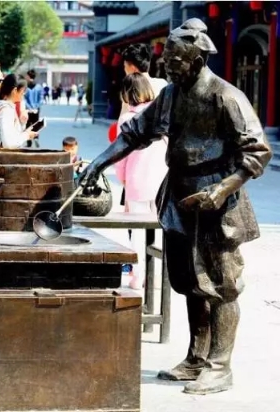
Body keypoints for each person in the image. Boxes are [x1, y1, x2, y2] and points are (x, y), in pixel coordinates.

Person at [79, 18, 272, 396]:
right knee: (188, 281)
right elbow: (135, 133)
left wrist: (223, 189)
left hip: (217, 199)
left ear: (197, 60)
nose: (168, 69)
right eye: (166, 62)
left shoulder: (226, 96)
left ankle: (220, 365)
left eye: (175, 63)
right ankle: (196, 358)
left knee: (221, 285)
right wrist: (98, 162)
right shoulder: (170, 95)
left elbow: (257, 152)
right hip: (180, 195)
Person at [114, 73, 168, 290]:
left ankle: (138, 278)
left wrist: (123, 178)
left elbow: (119, 156)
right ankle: (160, 278)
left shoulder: (128, 120)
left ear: (127, 94)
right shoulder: (161, 117)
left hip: (136, 181)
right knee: (162, 228)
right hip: (161, 180)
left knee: (137, 232)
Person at [0, 74, 39, 149]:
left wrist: (22, 123)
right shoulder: (6, 110)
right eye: (23, 91)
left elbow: (12, 134)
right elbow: (9, 143)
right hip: (2, 158)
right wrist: (27, 135)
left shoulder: (1, 106)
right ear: (15, 91)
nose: (24, 94)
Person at [120, 43, 168, 115]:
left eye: (125, 66)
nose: (124, 69)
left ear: (132, 68)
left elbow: (123, 123)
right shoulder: (163, 84)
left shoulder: (130, 86)